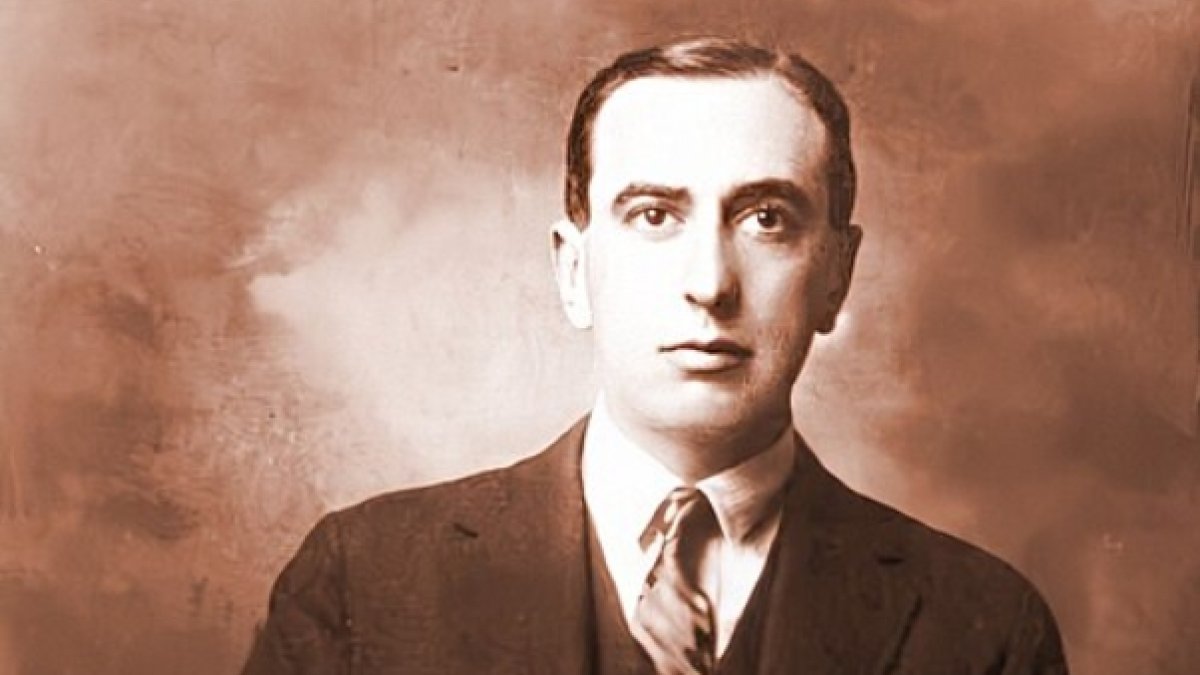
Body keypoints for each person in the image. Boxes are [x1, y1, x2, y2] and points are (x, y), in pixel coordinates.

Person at [241, 37, 1069, 674]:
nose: (709, 283)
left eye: (766, 219)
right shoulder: (361, 580)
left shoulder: (986, 625)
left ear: (835, 276)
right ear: (573, 271)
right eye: (653, 215)